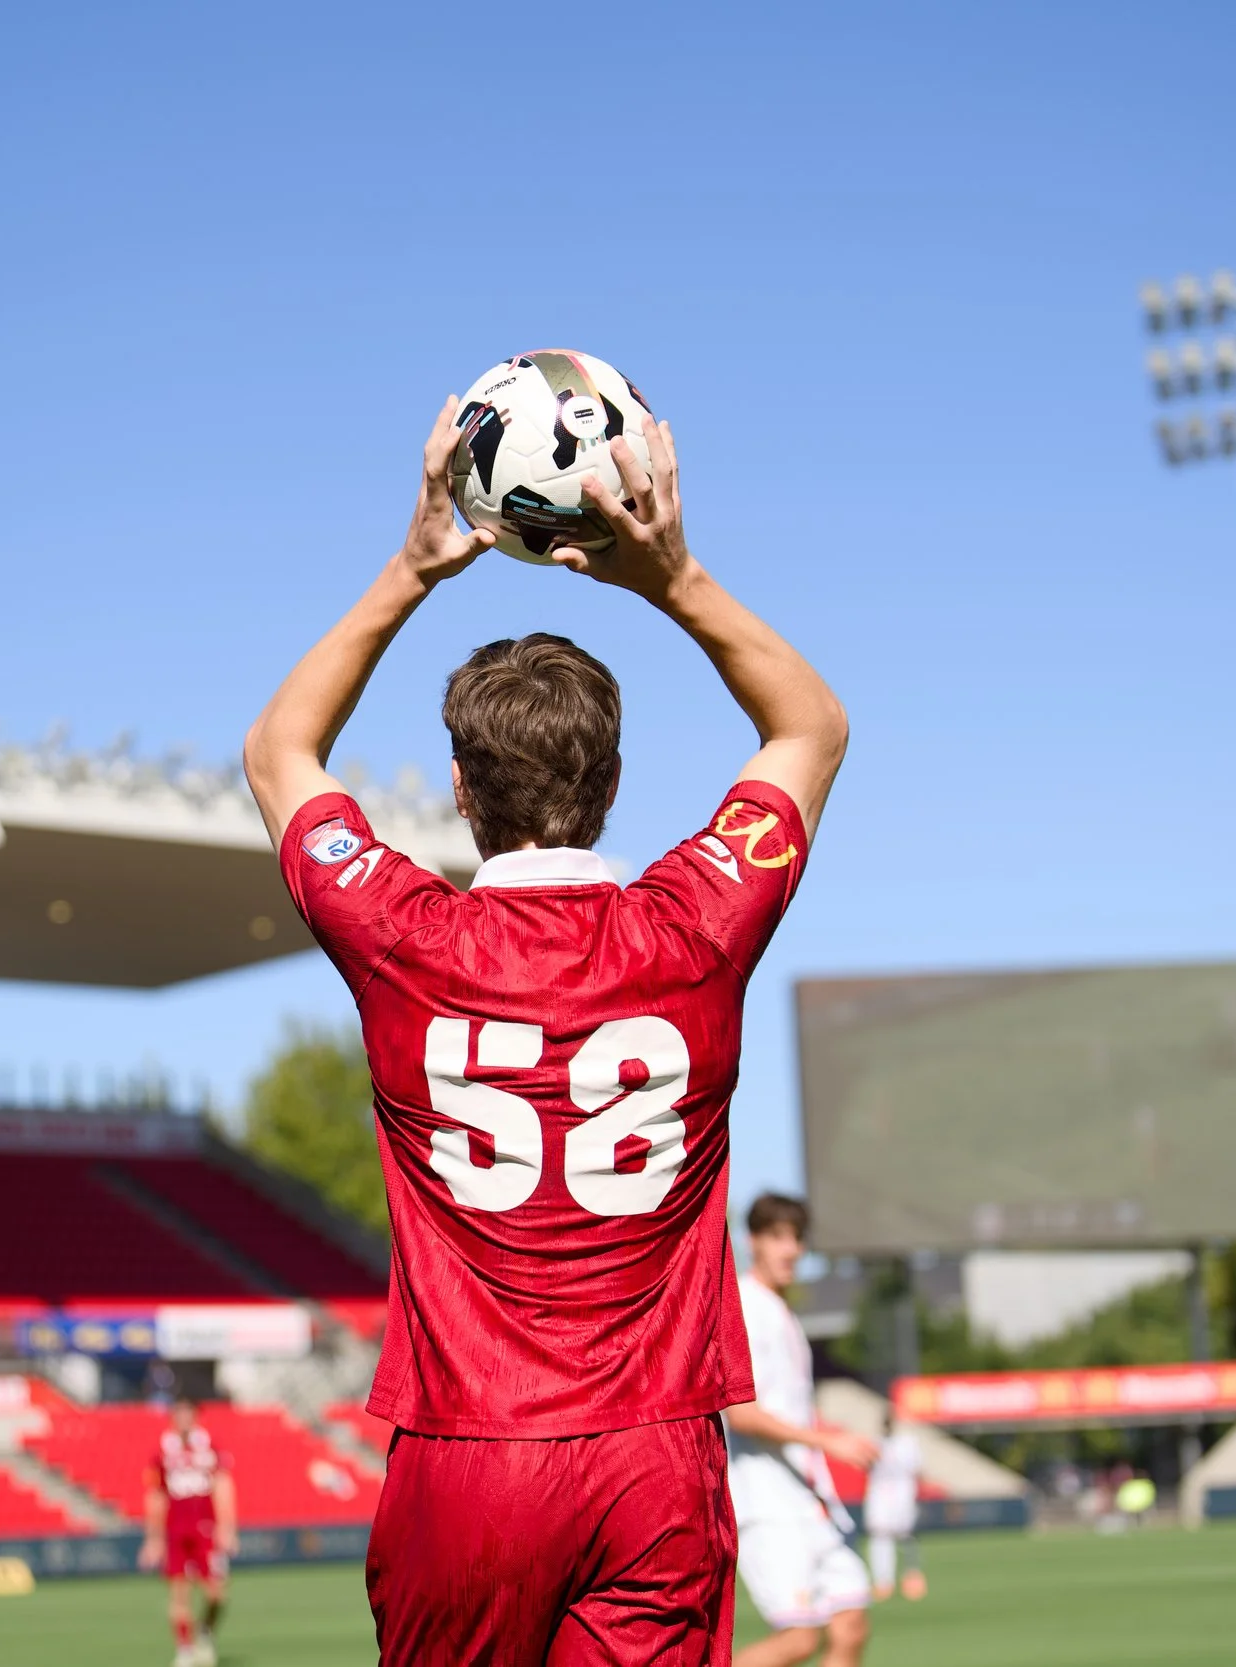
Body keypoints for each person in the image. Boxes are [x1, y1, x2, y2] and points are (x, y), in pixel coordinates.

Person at [245, 399, 848, 1665]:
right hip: (654, 1458)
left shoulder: (406, 937)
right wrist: (671, 575)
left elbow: (280, 749)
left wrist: (414, 562)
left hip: (463, 1457)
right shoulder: (693, 928)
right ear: (616, 781)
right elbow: (808, 725)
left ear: (458, 791)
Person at [728, 1194, 877, 1667]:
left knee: (851, 1625)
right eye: (777, 1237)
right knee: (798, 1639)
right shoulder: (746, 1307)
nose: (790, 1249)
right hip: (766, 1504)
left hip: (809, 1499)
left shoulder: (782, 1311)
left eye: (796, 1238)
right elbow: (741, 1413)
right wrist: (827, 1440)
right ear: (753, 1242)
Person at [140, 1399, 237, 1667]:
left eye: (187, 1413)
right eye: (178, 1412)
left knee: (216, 1592)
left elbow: (223, 1486)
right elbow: (155, 1495)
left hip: (206, 1529)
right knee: (179, 1594)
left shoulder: (208, 1447)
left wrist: (227, 1527)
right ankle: (184, 1649)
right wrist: (153, 1538)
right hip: (175, 1530)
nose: (183, 1418)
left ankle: (205, 1631)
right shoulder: (162, 1450)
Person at [864, 1414, 926, 1601]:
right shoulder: (874, 1443)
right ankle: (883, 1581)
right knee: (880, 1536)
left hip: (902, 1494)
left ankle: (912, 1576)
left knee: (907, 1535)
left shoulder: (907, 1443)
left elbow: (917, 1469)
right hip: (880, 1496)